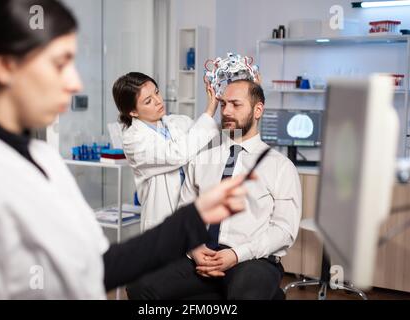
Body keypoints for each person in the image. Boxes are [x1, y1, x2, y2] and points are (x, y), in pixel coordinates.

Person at [0, 0, 250, 299]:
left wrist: (193, 219)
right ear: (5, 67)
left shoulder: (41, 157)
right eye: (59, 64)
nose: (74, 83)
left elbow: (97, 264)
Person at [127, 79, 302, 300]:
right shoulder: (202, 157)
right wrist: (194, 248)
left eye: (236, 105)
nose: (226, 111)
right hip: (202, 255)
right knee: (140, 286)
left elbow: (284, 230)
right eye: (223, 104)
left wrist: (236, 254)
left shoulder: (280, 166)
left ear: (258, 110)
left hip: (251, 259)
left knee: (246, 291)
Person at [113, 72, 219, 231]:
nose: (158, 101)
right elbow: (176, 154)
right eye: (148, 101)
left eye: (156, 92)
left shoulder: (178, 122)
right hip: (162, 223)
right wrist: (210, 110)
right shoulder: (133, 140)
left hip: (193, 216)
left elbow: (211, 141)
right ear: (133, 112)